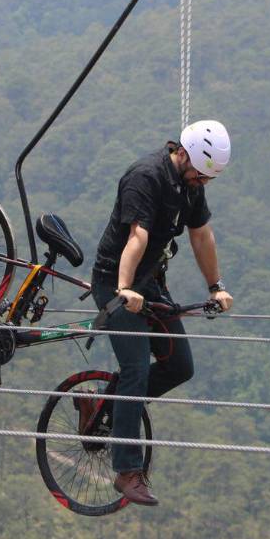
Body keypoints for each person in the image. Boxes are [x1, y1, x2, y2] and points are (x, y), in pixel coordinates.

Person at [88, 120, 235, 506]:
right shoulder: (145, 177)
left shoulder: (189, 185)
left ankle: (106, 405)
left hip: (150, 282)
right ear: (183, 154)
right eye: (199, 176)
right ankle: (126, 471)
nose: (201, 184)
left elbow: (201, 234)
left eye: (207, 180)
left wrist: (216, 286)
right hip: (113, 281)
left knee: (179, 365)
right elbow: (138, 236)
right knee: (136, 367)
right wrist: (123, 290)